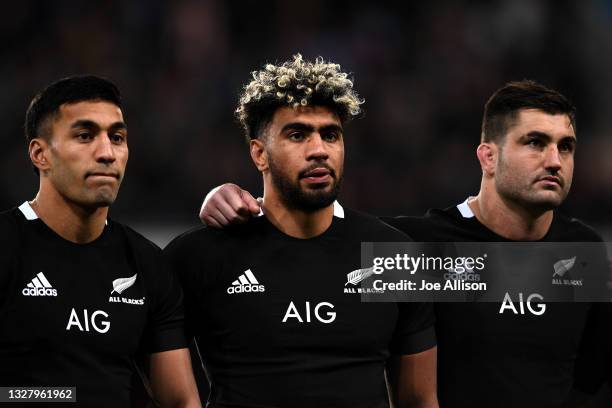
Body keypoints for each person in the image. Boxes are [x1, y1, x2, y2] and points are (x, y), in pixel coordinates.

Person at [199, 79, 612, 407]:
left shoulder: (582, 253)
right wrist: (230, 196)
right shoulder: (416, 247)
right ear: (487, 156)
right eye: (536, 143)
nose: (555, 160)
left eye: (567, 146)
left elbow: (591, 383)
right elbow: (313, 238)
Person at [165, 55, 438, 408]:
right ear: (259, 154)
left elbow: (418, 400)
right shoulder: (199, 256)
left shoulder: (393, 254)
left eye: (330, 134)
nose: (319, 150)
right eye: (297, 135)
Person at [0, 76, 201, 407]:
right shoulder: (6, 245)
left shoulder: (147, 264)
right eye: (84, 136)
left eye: (117, 137)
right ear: (40, 154)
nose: (107, 153)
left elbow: (180, 401)